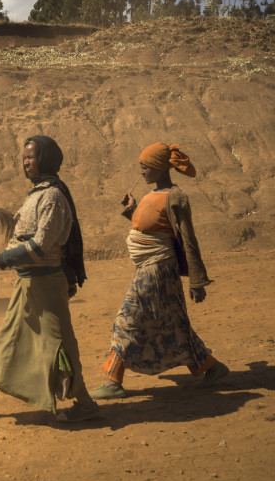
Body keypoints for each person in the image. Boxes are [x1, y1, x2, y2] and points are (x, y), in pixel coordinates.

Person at [0, 135, 99, 423]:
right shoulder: (38, 194)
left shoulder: (53, 196)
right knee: (7, 338)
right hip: (28, 283)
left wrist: (0, 260)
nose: (25, 162)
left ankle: (86, 402)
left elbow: (41, 245)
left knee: (60, 343)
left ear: (46, 159)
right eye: (24, 158)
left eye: (31, 157)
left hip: (45, 284)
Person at [90, 143, 228, 399]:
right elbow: (147, 227)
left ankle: (113, 380)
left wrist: (196, 281)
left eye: (145, 167)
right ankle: (209, 366)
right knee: (173, 323)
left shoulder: (175, 197)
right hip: (150, 267)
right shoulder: (151, 195)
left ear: (159, 167)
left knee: (126, 320)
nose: (141, 171)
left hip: (157, 270)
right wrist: (132, 208)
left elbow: (188, 238)